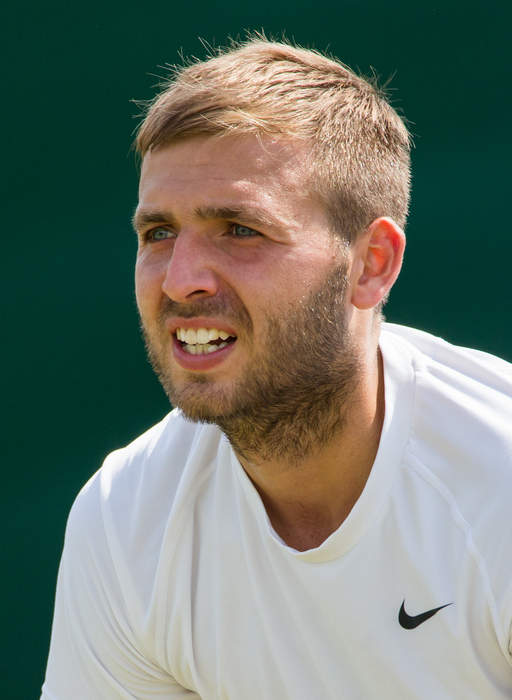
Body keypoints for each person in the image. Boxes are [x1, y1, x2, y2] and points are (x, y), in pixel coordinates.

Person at [41, 37, 512, 699]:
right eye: (158, 233)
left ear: (371, 264)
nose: (180, 281)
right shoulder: (126, 521)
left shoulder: (500, 486)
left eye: (239, 229)